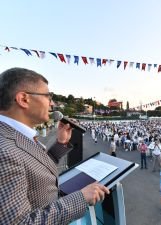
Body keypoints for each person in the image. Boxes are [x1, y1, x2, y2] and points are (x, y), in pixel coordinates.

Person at [0, 68, 110, 224]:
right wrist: (81, 197)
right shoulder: (4, 151)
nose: (51, 103)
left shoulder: (15, 135)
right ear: (23, 99)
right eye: (47, 96)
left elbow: (36, 168)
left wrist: (60, 143)